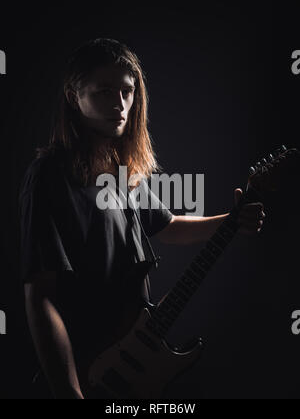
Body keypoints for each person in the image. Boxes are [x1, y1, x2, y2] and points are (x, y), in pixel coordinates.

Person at [18, 38, 265, 399]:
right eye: (104, 92)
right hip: (85, 372)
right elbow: (41, 298)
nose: (120, 105)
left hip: (131, 367)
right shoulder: (49, 176)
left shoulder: (122, 173)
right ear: (74, 97)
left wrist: (233, 219)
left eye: (127, 91)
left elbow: (169, 227)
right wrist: (68, 391)